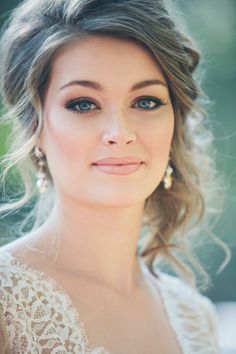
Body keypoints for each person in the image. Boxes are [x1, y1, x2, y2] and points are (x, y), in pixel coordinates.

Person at [0, 0, 227, 353]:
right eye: (84, 104)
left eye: (146, 102)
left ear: (174, 125)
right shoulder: (5, 305)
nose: (119, 133)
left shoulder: (196, 318)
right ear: (36, 127)